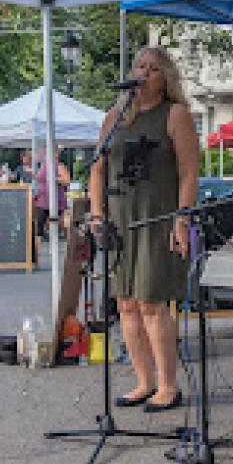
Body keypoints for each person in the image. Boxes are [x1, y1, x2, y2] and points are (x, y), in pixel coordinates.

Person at [90, 46, 199, 412]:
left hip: (157, 220)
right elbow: (97, 169)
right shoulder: (116, 115)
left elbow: (188, 173)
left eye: (153, 69)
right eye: (139, 66)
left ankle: (168, 385)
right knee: (125, 303)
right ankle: (143, 381)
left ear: (165, 77)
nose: (144, 73)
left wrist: (182, 218)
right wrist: (96, 213)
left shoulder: (176, 115)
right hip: (120, 220)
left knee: (152, 303)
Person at [34, 147, 70, 240]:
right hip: (41, 199)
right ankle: (39, 244)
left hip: (55, 200)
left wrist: (55, 178)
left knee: (55, 225)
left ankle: (55, 240)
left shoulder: (59, 166)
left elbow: (67, 181)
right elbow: (39, 179)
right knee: (39, 225)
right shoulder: (43, 165)